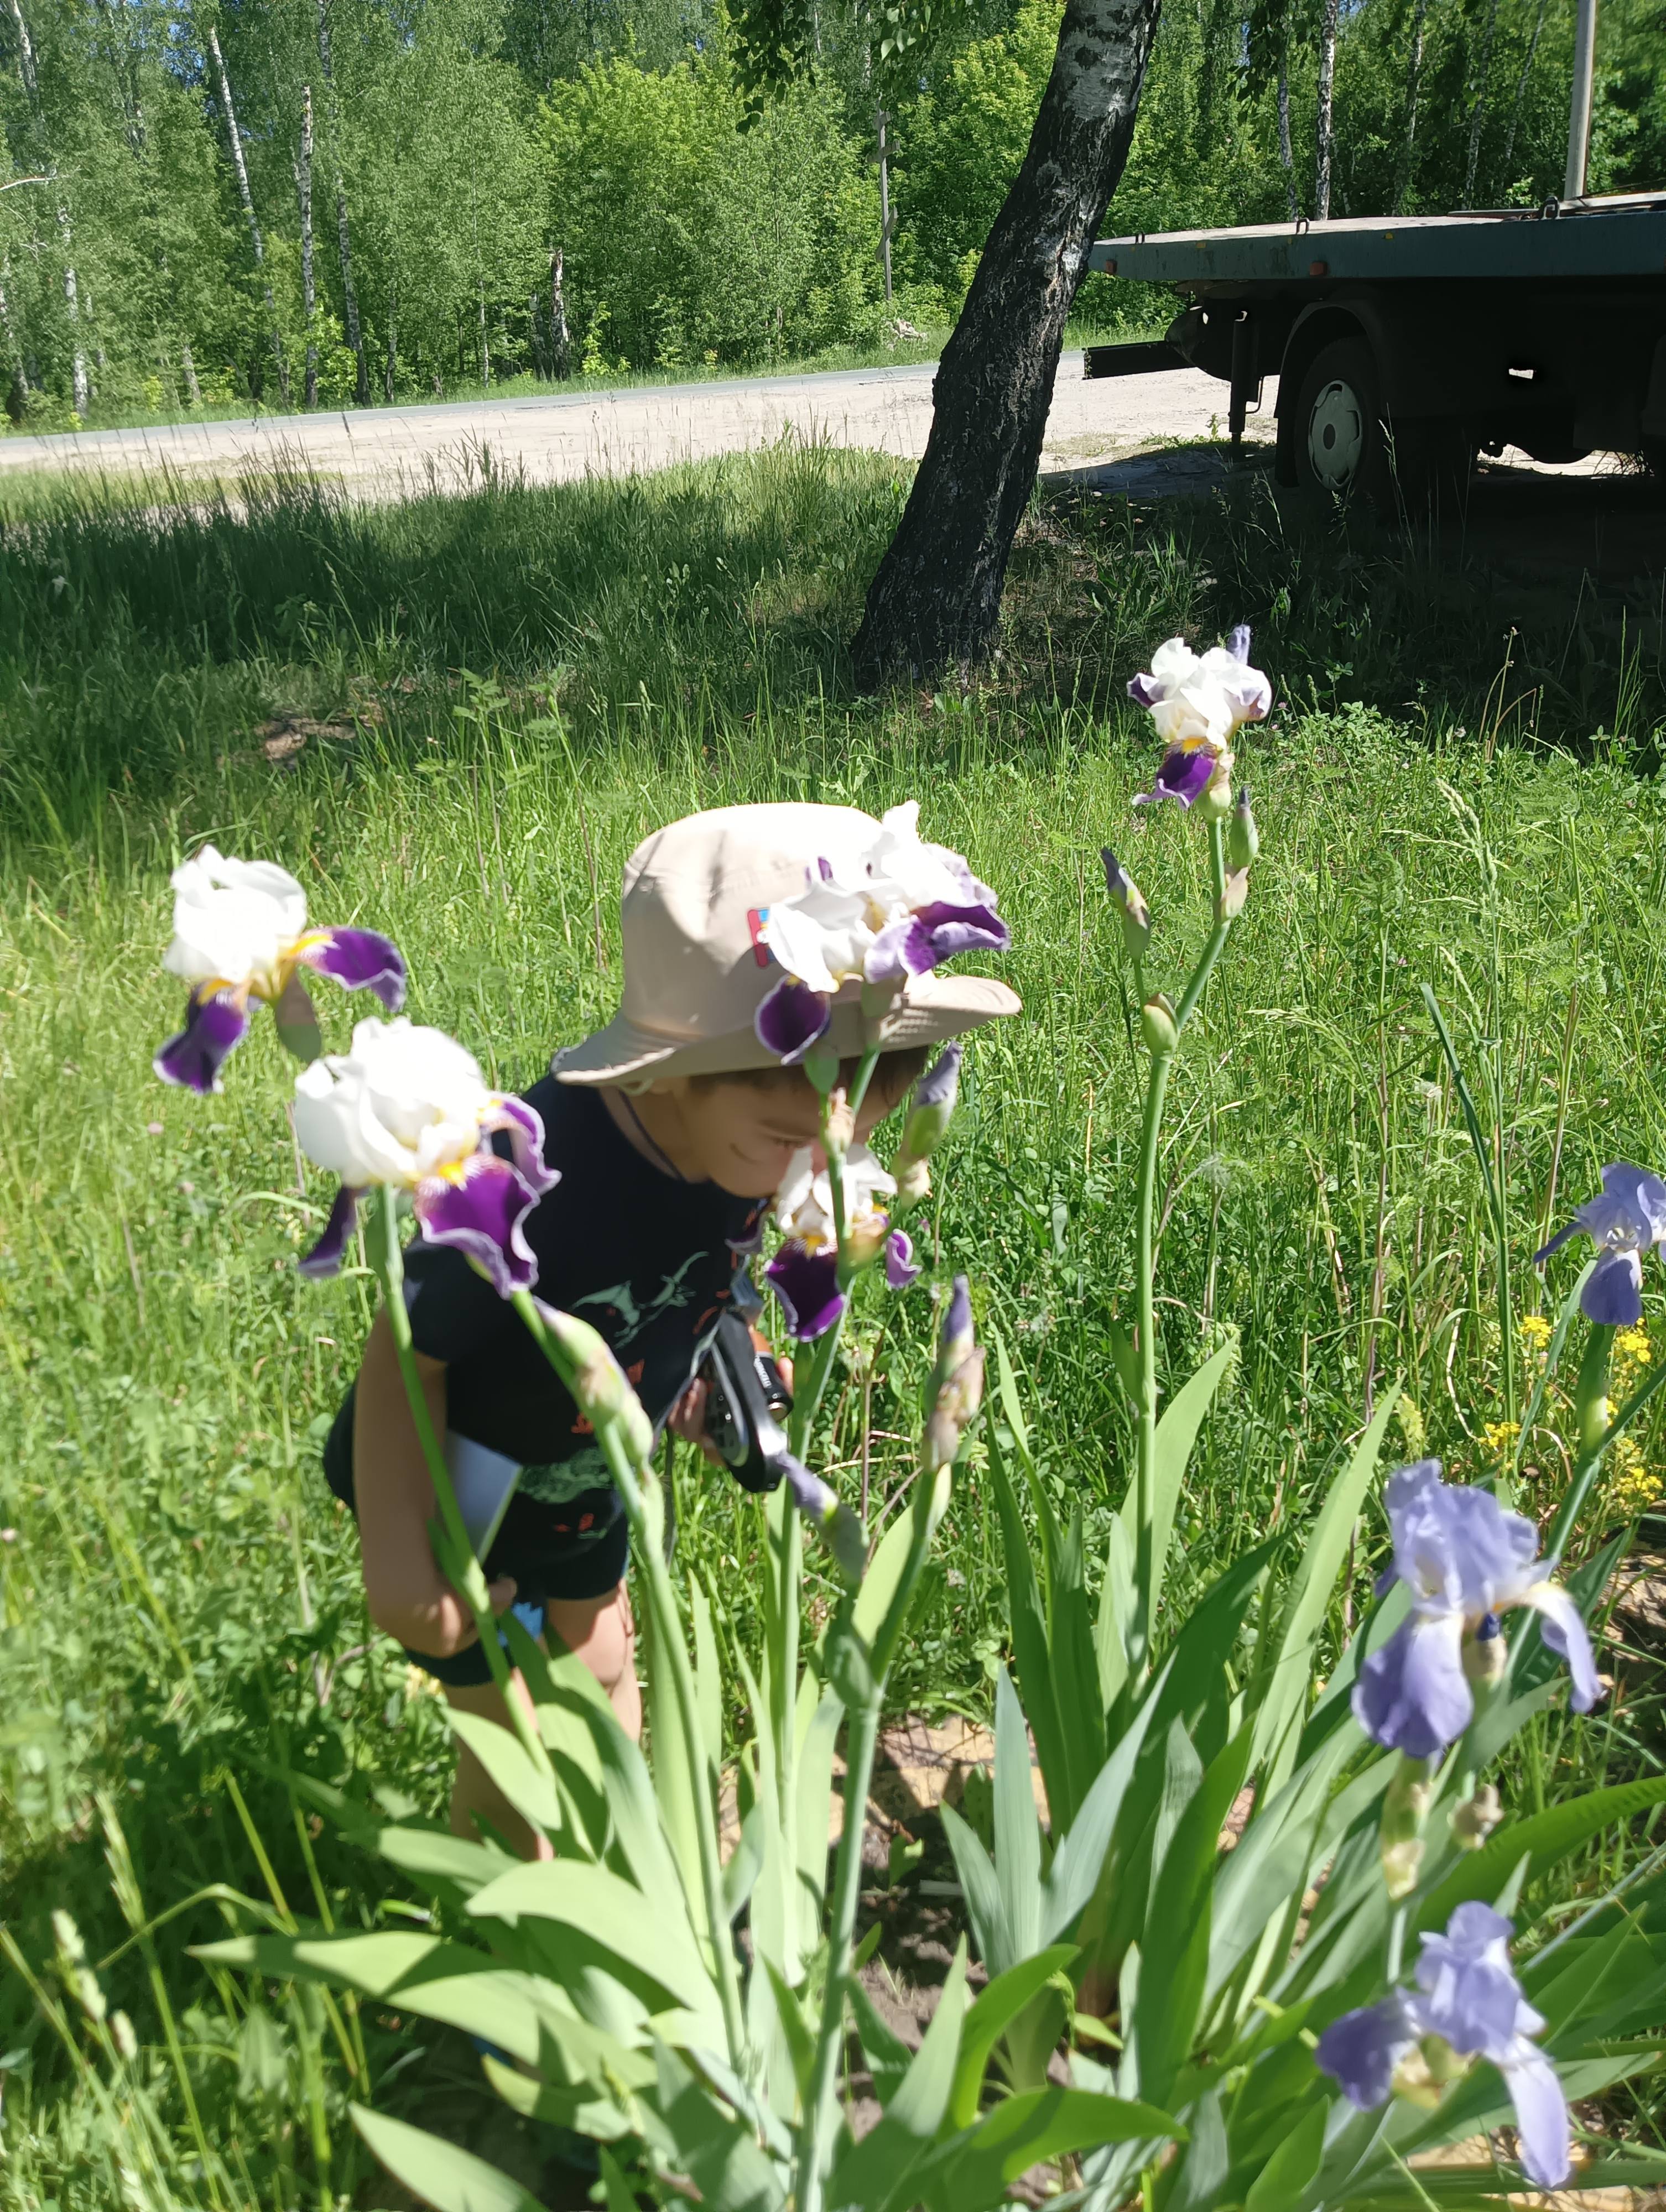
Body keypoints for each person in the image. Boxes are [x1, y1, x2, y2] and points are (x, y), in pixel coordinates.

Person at [322, 802, 1018, 1856]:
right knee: (509, 1741)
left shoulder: (752, 1142)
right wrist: (399, 1566)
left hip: (591, 1477)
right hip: (453, 1494)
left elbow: (715, 1265)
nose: (819, 1167)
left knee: (607, 1666)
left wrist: (722, 1359)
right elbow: (406, 1347)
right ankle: (514, 1920)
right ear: (669, 1074)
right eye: (788, 1139)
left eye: (849, 1133)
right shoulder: (528, 1178)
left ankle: (634, 1873)